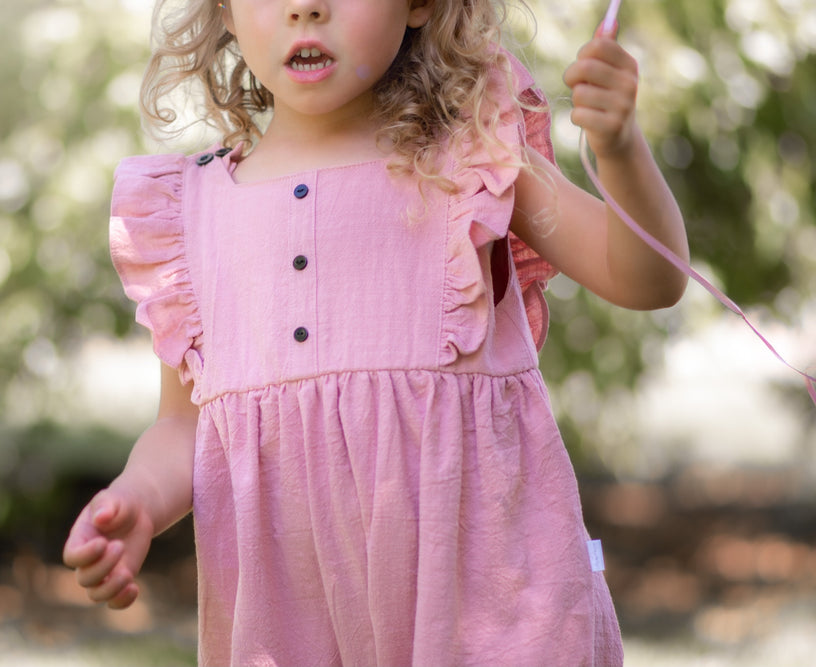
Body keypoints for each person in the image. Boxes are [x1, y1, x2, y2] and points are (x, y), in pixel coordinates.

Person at [63, 0, 688, 664]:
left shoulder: (475, 161)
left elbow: (648, 277)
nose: (306, 8)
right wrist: (137, 498)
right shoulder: (190, 214)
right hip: (295, 631)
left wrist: (620, 151)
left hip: (490, 618)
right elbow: (183, 428)